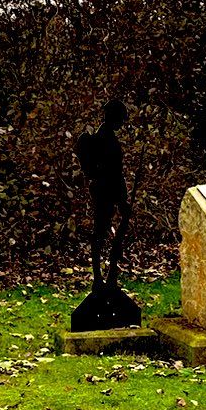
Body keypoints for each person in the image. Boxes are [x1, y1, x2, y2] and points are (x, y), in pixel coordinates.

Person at [76, 99, 132, 291]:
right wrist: (122, 198)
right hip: (106, 190)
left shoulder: (106, 138)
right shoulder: (104, 140)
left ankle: (107, 276)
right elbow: (113, 172)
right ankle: (100, 278)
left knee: (106, 233)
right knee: (100, 233)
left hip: (109, 190)